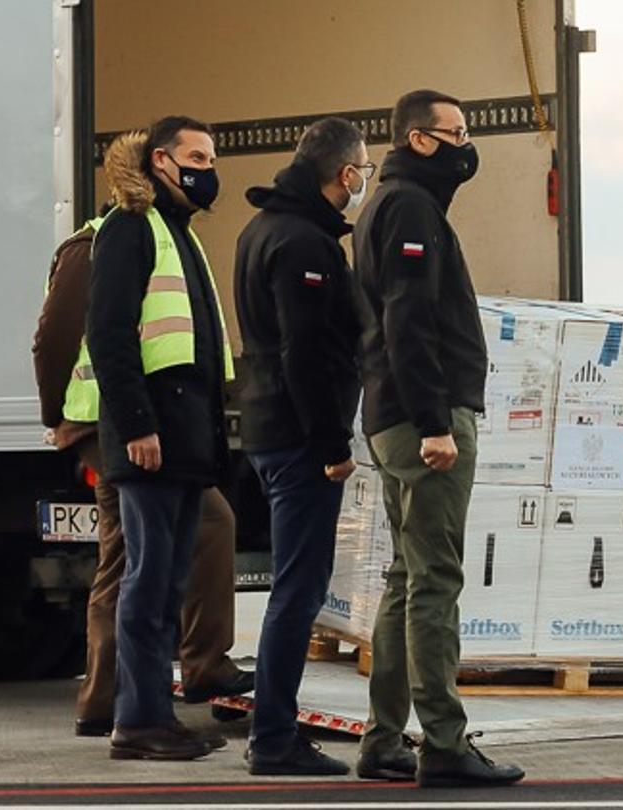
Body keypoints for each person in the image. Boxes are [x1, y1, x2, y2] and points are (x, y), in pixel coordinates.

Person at [33, 183, 249, 746]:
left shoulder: (166, 238)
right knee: (137, 561)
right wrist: (56, 413)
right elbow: (56, 338)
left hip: (134, 423)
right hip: (108, 425)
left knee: (139, 553)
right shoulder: (99, 244)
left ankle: (120, 696)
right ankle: (133, 696)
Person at [351, 89, 523, 787]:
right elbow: (408, 320)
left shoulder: (390, 203)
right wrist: (433, 423)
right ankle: (445, 743)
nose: (466, 145)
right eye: (455, 132)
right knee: (435, 582)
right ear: (419, 140)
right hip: (422, 417)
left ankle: (383, 738)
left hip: (390, 415)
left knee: (406, 577)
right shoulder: (410, 207)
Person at [84, 116, 237, 761]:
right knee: (147, 585)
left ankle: (158, 717)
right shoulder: (129, 228)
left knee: (168, 583)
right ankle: (138, 723)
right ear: (160, 162)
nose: (208, 166)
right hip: (150, 441)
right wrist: (138, 426)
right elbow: (109, 334)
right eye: (196, 154)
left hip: (183, 441)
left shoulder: (178, 233)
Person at [232, 118, 369, 776]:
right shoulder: (303, 243)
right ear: (344, 173)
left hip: (266, 429)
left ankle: (273, 730)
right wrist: (331, 443)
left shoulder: (263, 228)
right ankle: (275, 737)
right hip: (297, 438)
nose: (364, 179)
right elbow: (305, 354)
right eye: (362, 169)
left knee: (294, 586)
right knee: (298, 589)